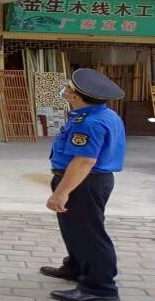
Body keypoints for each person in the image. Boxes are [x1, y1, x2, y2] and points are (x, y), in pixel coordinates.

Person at [41, 68, 125, 301]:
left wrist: (61, 193)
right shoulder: (104, 114)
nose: (64, 90)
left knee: (90, 235)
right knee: (74, 230)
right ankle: (76, 267)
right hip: (85, 180)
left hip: (84, 182)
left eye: (68, 88)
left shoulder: (89, 123)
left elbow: (84, 161)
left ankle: (100, 289)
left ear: (75, 96)